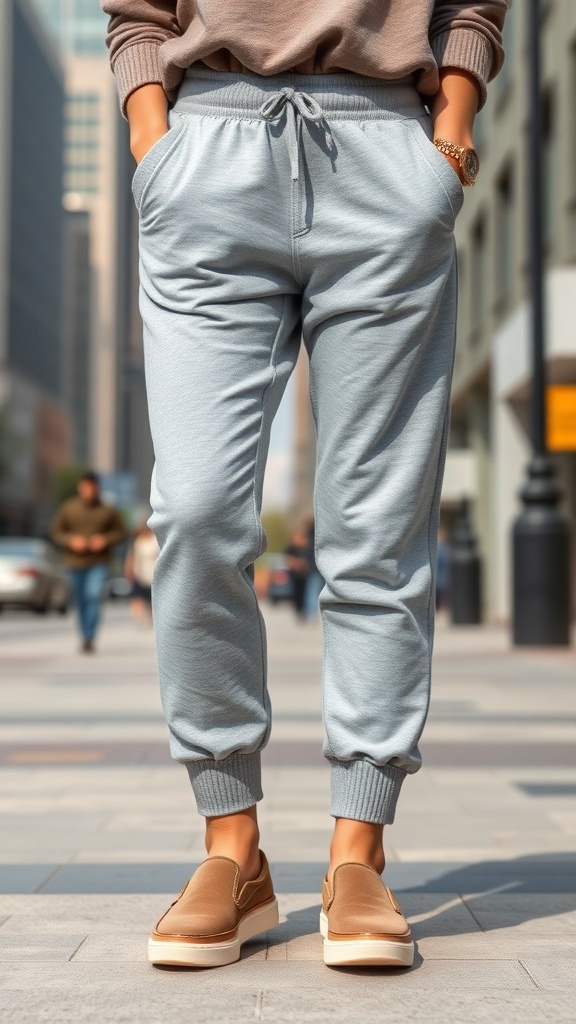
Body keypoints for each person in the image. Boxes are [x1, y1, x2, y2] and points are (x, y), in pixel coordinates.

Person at [102, 0, 508, 968]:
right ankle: (230, 846)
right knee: (194, 513)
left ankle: (357, 851)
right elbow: (135, 13)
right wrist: (151, 137)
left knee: (375, 526)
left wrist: (447, 139)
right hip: (209, 150)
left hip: (385, 150)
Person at [51, 471, 126, 653]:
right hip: (74, 562)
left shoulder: (108, 510)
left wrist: (104, 540)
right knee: (81, 600)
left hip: (98, 561)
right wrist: (71, 540)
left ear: (98, 488)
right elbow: (56, 532)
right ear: (80, 487)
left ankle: (90, 636)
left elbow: (121, 533)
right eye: (86, 487)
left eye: (93, 487)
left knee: (93, 594)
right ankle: (84, 635)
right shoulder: (68, 508)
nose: (89, 491)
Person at [124, 522, 159, 624]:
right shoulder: (137, 542)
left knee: (152, 597)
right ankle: (140, 617)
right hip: (140, 572)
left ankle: (153, 617)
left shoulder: (154, 540)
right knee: (138, 596)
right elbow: (132, 558)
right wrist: (129, 571)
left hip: (152, 572)